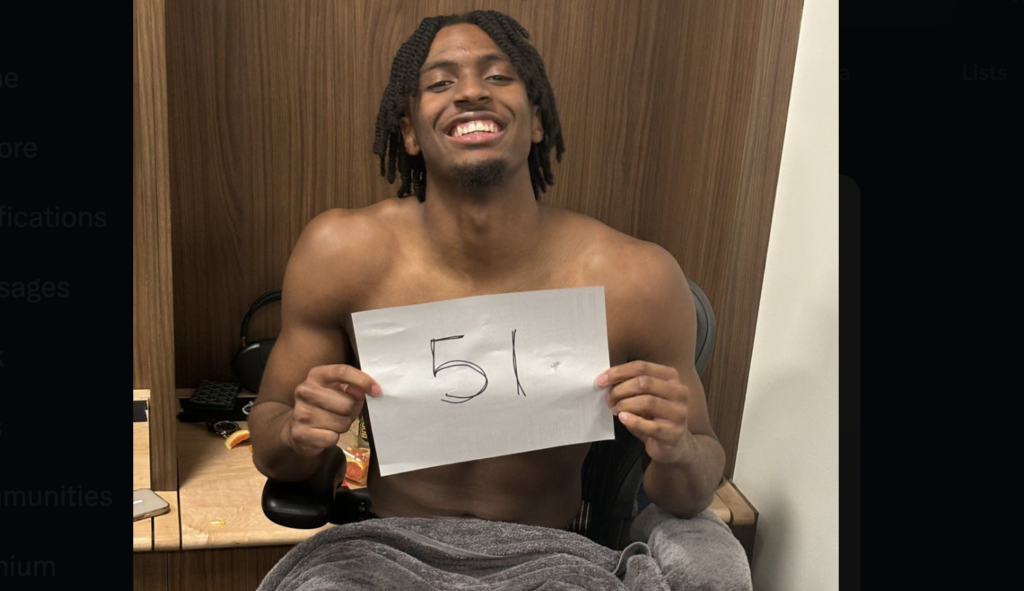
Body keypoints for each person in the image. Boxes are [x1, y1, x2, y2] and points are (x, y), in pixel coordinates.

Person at [250, 9, 725, 536]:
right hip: (390, 549)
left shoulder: (635, 277)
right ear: (409, 132)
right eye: (440, 83)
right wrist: (296, 433)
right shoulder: (340, 254)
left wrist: (679, 449)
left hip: (550, 557)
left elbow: (692, 491)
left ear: (536, 121)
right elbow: (272, 445)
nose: (472, 92)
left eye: (498, 76)